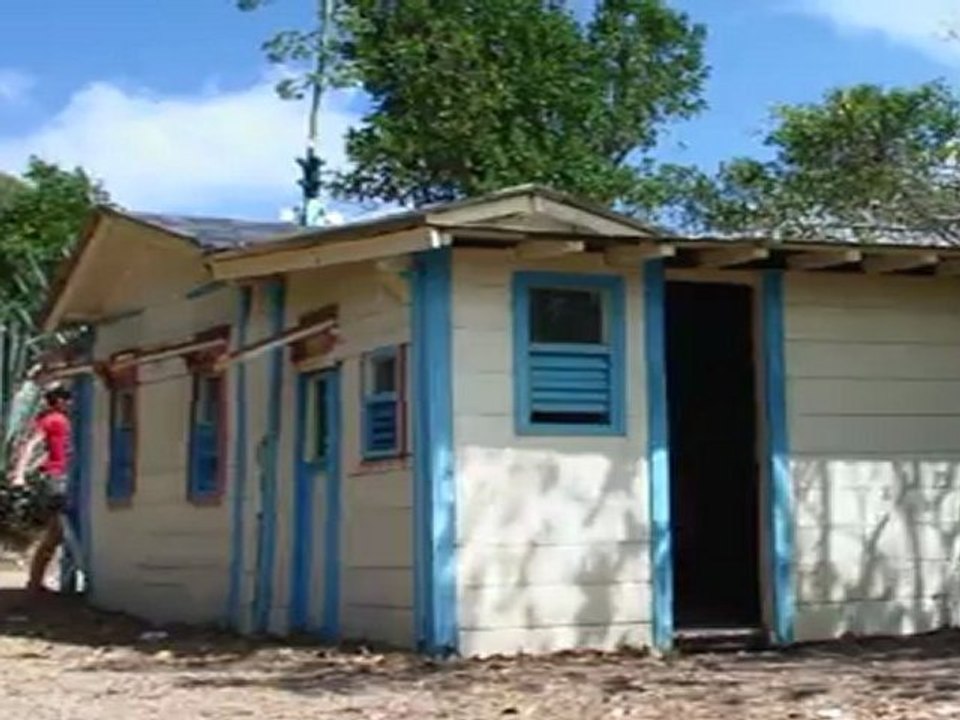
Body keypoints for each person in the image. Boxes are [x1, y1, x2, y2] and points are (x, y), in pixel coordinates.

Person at [9, 385, 72, 593]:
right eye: (67, 399)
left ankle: (39, 580)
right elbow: (31, 444)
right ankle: (37, 580)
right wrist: (19, 473)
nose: (70, 403)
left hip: (67, 476)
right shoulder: (53, 420)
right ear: (59, 401)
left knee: (58, 531)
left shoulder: (68, 421)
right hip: (57, 477)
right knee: (59, 528)